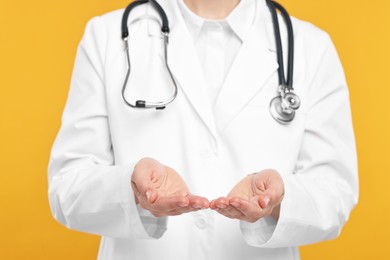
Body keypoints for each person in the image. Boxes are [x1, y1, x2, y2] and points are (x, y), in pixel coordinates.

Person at [48, 0, 359, 259]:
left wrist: (279, 200)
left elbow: (336, 194)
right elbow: (66, 188)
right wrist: (131, 187)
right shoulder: (106, 37)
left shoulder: (309, 48)